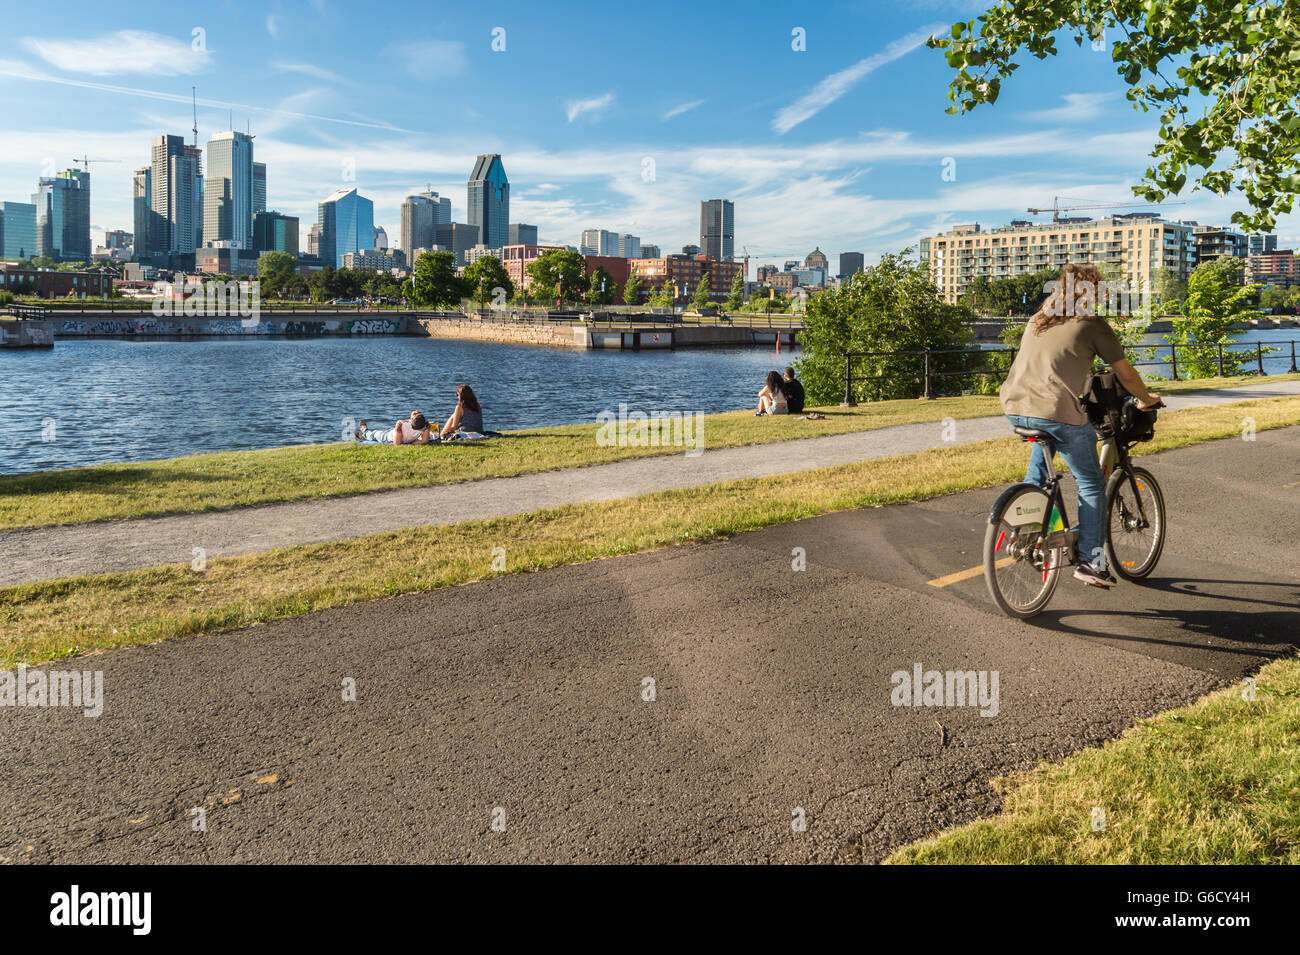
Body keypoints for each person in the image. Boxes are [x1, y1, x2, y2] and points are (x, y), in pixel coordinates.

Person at [999, 263, 1161, 589]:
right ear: (1093, 293)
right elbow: (1126, 375)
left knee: (1041, 476)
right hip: (1055, 412)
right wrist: (1145, 399)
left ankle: (1028, 531)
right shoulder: (1092, 325)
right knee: (1090, 482)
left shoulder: (1040, 317)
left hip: (1015, 407)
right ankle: (1090, 560)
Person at [355, 411, 433, 445]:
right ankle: (364, 432)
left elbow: (396, 444)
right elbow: (424, 441)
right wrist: (414, 443)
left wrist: (398, 430)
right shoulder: (423, 427)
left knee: (375, 434)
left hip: (389, 436)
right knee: (376, 433)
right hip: (390, 435)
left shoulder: (401, 425)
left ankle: (364, 432)